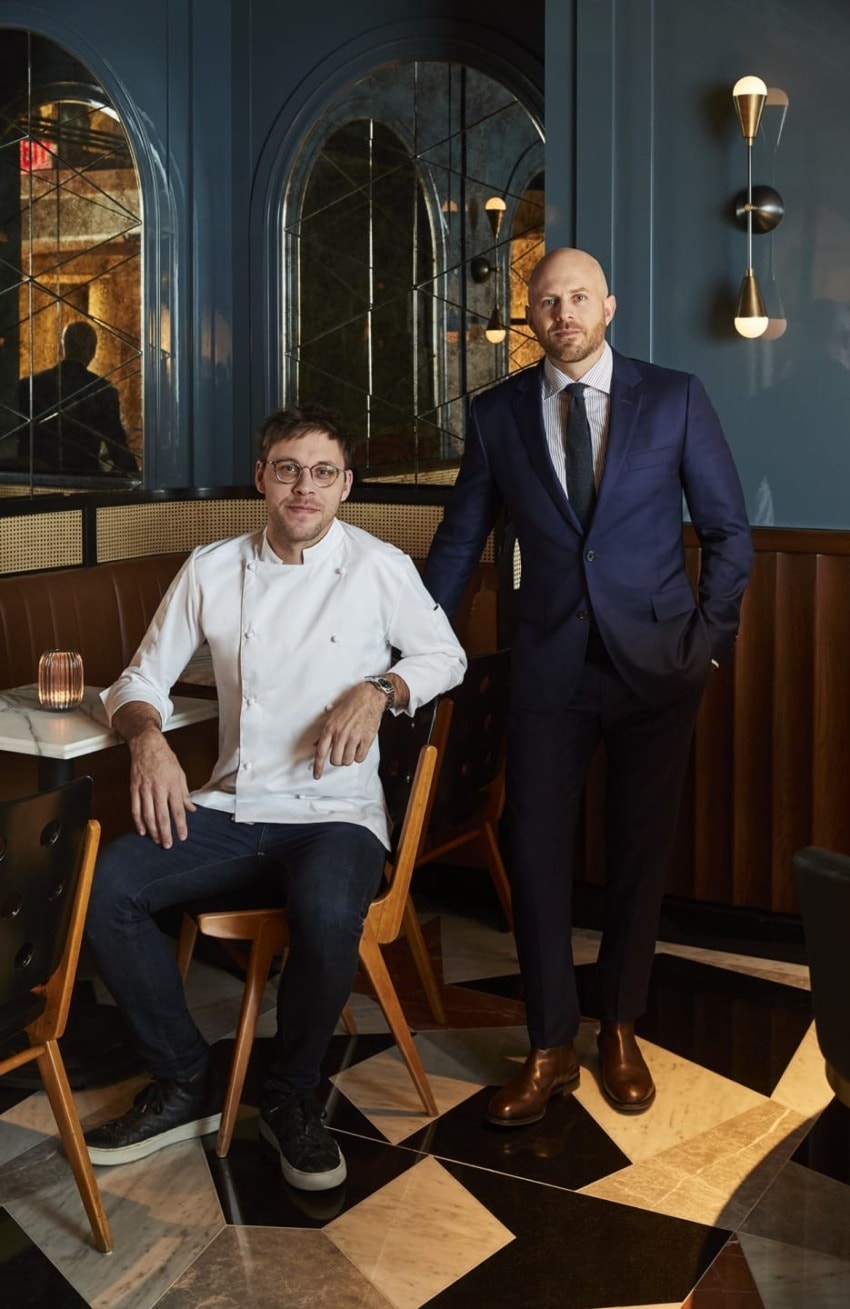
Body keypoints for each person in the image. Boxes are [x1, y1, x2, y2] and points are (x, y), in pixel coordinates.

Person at [83, 403, 465, 1190]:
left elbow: (446, 656)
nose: (304, 487)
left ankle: (291, 1100)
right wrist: (145, 737)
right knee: (107, 886)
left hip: (335, 815)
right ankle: (186, 1079)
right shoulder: (213, 567)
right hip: (231, 808)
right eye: (288, 469)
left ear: (346, 486)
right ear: (261, 477)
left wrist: (383, 686)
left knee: (328, 913)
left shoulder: (379, 565)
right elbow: (137, 680)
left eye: (323, 472)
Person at [423, 247, 752, 1126]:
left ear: (608, 306)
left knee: (640, 852)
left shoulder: (674, 396)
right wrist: (415, 651)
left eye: (576, 297)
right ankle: (548, 1043)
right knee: (535, 852)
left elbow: (728, 532)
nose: (560, 311)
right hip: (546, 669)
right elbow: (460, 543)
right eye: (545, 299)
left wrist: (706, 647)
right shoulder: (497, 415)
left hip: (658, 669)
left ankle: (619, 1026)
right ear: (530, 315)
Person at [18, 320, 138, 475]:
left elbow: (18, 438)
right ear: (92, 351)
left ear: (62, 347)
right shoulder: (102, 390)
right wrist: (136, 477)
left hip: (36, 476)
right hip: (81, 477)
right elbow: (116, 444)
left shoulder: (29, 385)